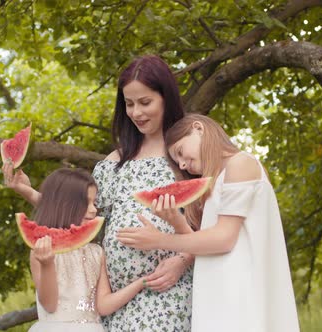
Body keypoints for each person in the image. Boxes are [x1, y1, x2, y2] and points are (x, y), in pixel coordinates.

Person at [3, 55, 193, 331]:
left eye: (145, 102)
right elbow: (76, 214)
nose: (136, 113)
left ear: (166, 98)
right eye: (129, 104)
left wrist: (183, 260)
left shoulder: (186, 157)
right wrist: (27, 190)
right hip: (111, 304)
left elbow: (212, 229)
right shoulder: (115, 161)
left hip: (165, 293)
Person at [117, 114, 301, 332]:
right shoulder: (221, 178)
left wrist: (160, 240)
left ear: (198, 129)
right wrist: (177, 222)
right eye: (178, 162)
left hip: (241, 299)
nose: (183, 164)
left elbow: (224, 239)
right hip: (222, 296)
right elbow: (209, 244)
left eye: (181, 152)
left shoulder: (241, 163)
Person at [17, 167, 147, 332]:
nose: (93, 209)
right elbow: (49, 305)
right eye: (87, 202)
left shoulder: (96, 252)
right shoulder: (41, 250)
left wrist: (141, 283)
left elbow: (103, 305)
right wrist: (47, 264)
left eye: (95, 202)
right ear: (64, 205)